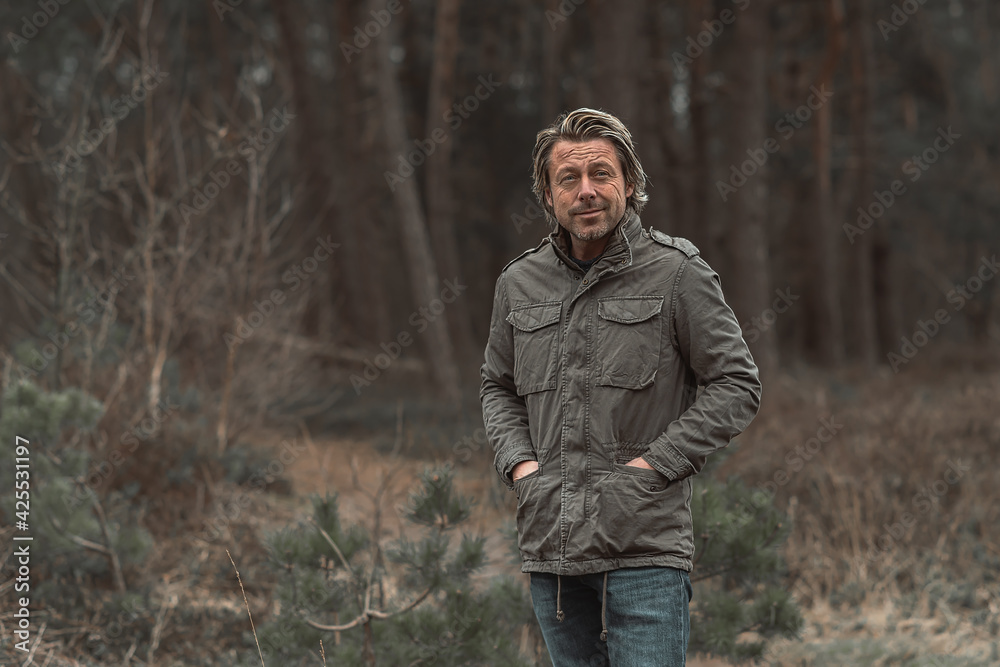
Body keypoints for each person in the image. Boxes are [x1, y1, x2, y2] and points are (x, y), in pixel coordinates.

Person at [480, 108, 762, 666]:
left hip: (645, 550)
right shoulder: (518, 283)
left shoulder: (677, 272)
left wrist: (654, 468)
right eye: (569, 178)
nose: (586, 191)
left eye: (601, 174)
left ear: (628, 184)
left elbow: (736, 383)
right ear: (548, 193)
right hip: (552, 551)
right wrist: (522, 467)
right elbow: (498, 386)